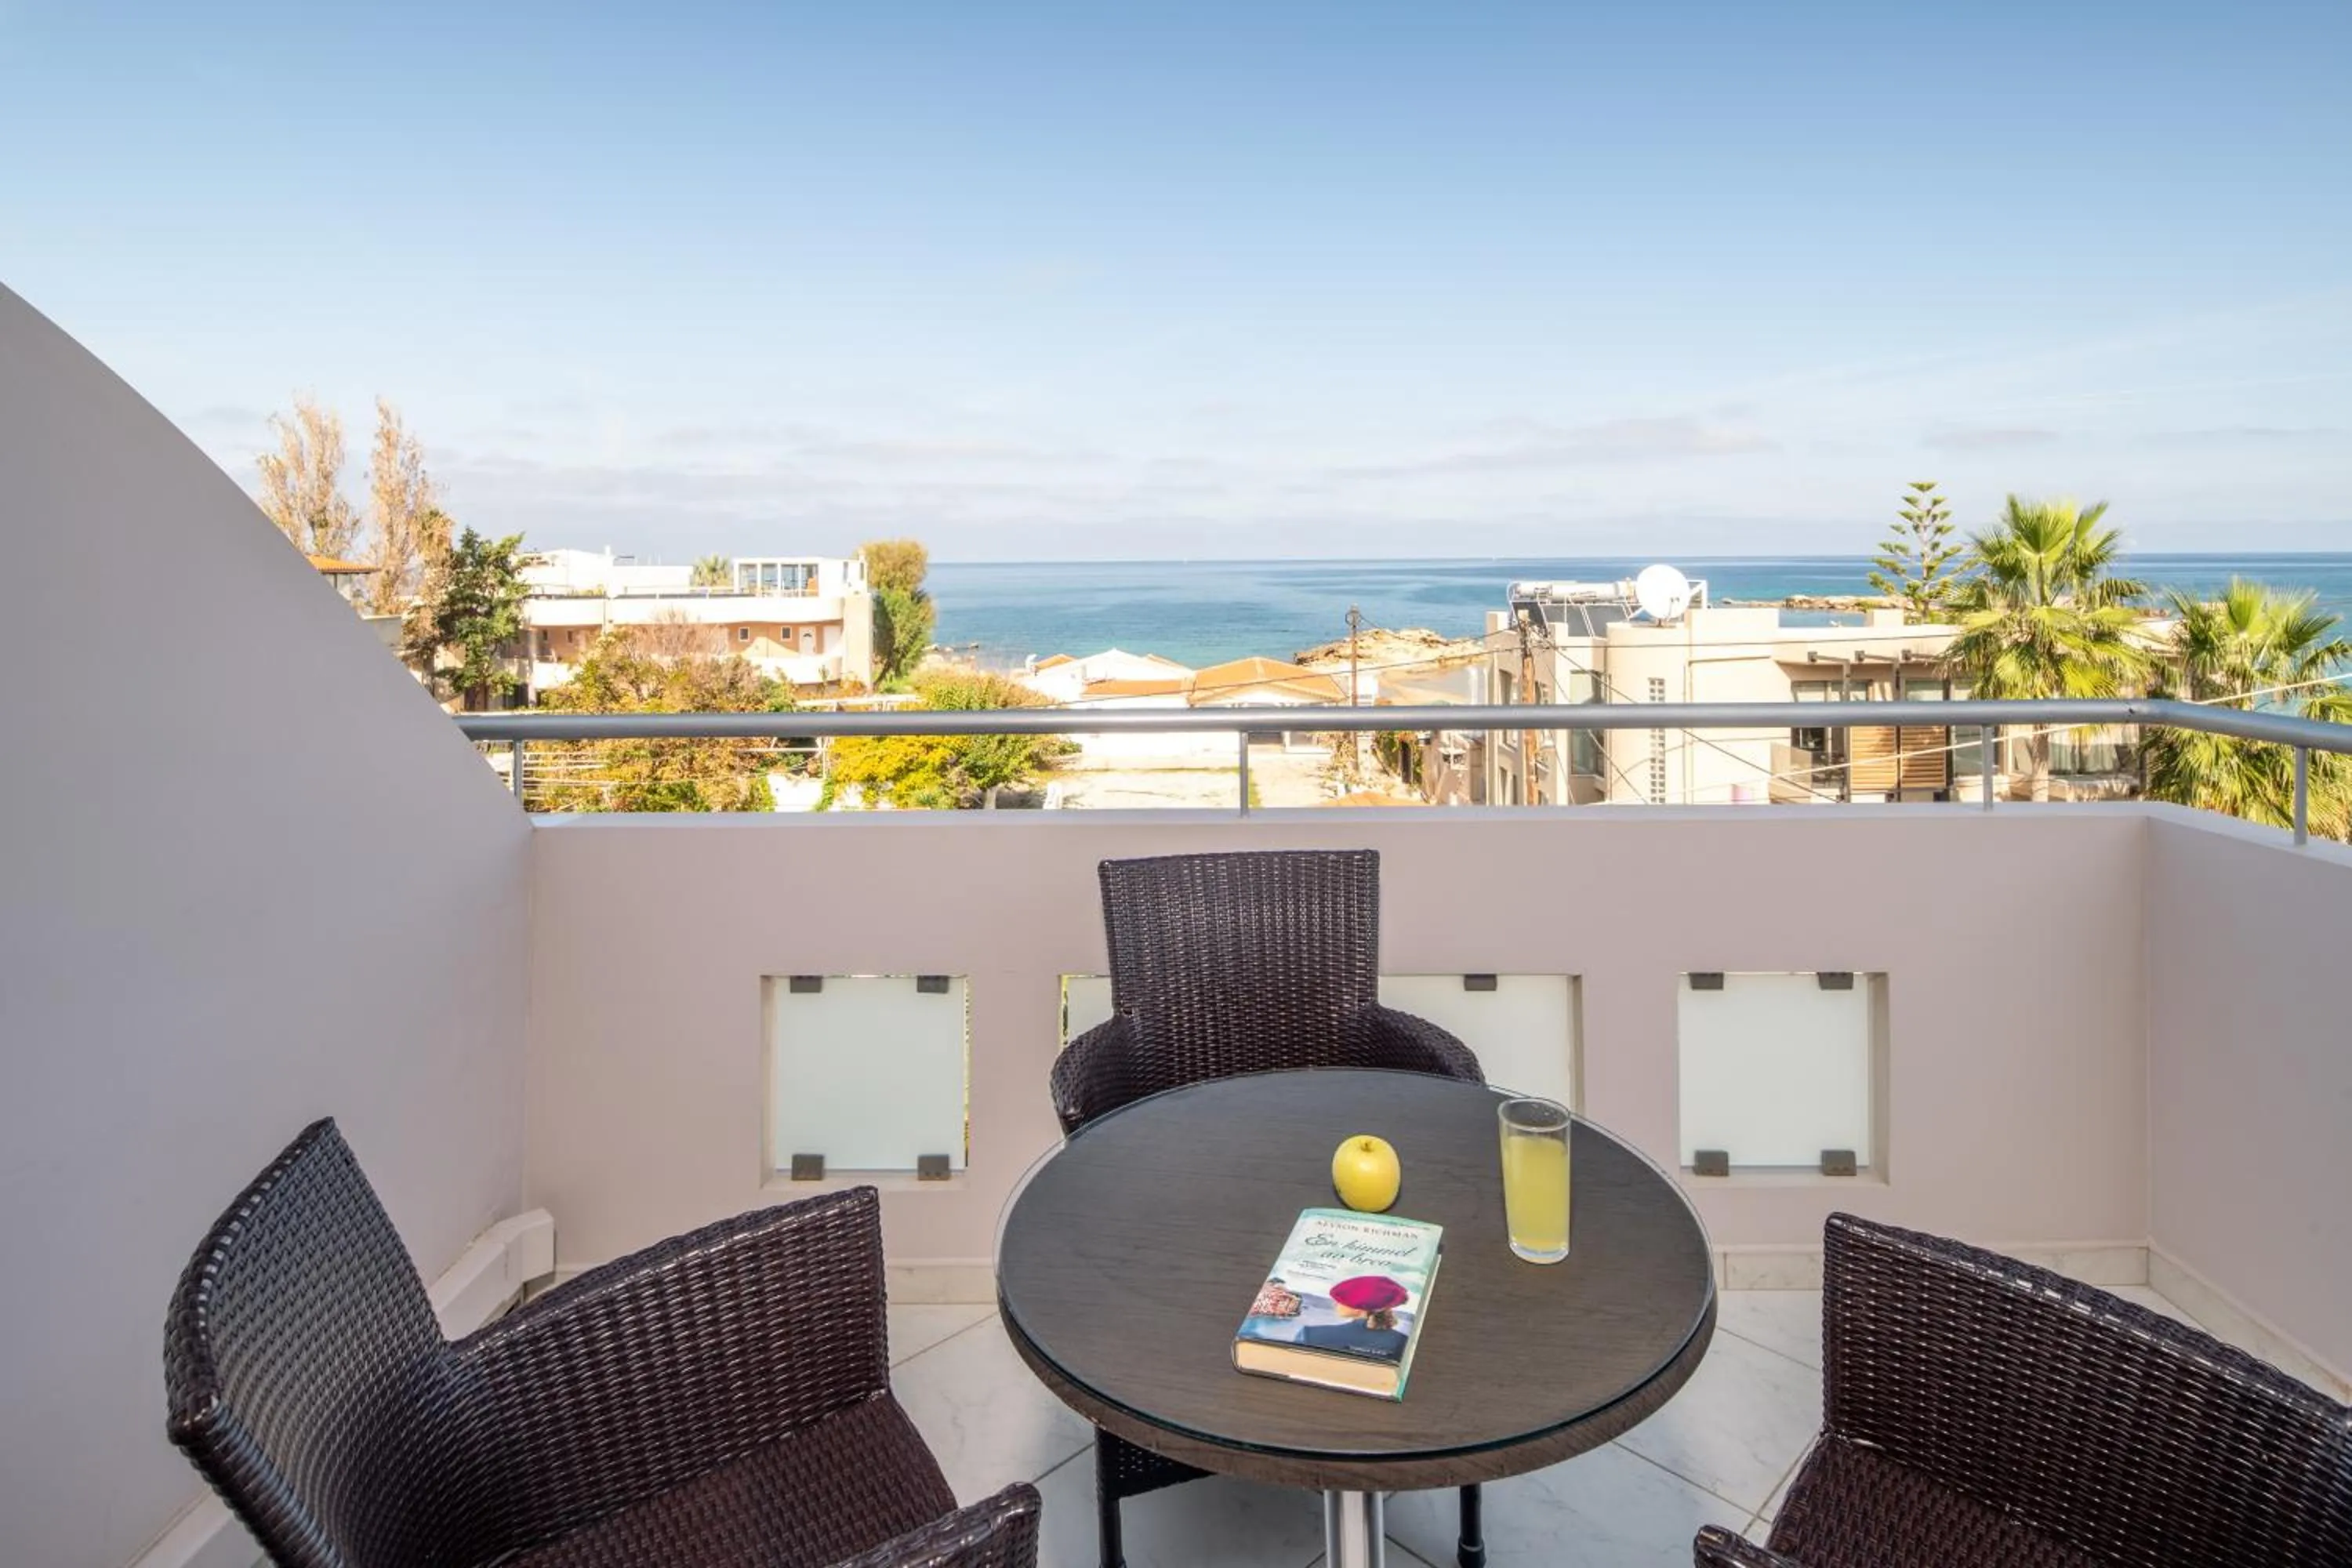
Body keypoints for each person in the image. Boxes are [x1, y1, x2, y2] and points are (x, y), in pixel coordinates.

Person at [1295, 1274, 1410, 1357]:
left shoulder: (1310, 1335)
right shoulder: (1404, 1342)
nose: (1336, 1303)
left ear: (1360, 1308)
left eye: (1342, 1300)